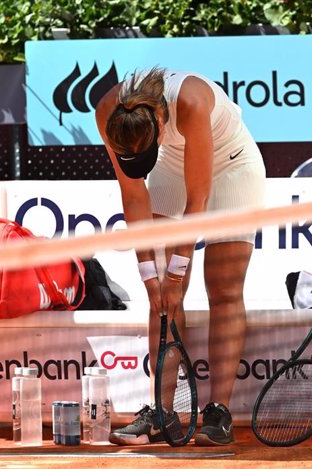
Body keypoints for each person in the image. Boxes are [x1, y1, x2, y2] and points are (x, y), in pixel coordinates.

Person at [95, 67, 266, 446]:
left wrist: (175, 275)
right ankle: (161, 412)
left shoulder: (189, 101)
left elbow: (197, 202)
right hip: (169, 165)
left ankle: (218, 413)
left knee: (222, 287)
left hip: (232, 166)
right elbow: (134, 197)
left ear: (158, 119)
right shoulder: (107, 110)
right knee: (161, 302)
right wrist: (152, 278)